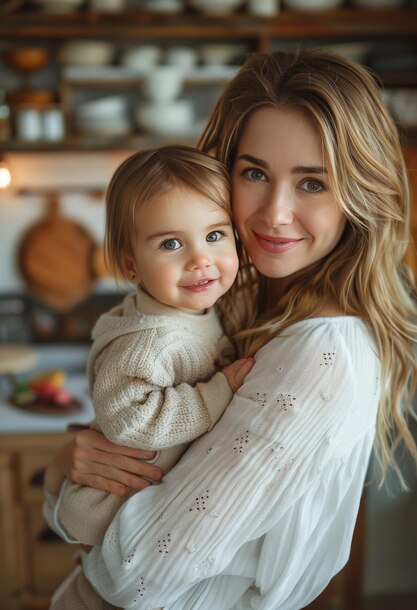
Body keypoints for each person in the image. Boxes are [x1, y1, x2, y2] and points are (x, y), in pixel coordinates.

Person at [44, 48, 417, 610]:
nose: (273, 213)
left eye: (312, 183)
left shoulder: (324, 352)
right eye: (254, 173)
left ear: (360, 194)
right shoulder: (238, 304)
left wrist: (63, 497)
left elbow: (137, 570)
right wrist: (65, 468)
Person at [46, 144, 255, 609]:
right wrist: (218, 392)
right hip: (111, 520)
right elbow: (130, 421)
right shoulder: (151, 339)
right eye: (171, 243)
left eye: (216, 235)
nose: (201, 259)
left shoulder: (196, 309)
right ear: (129, 264)